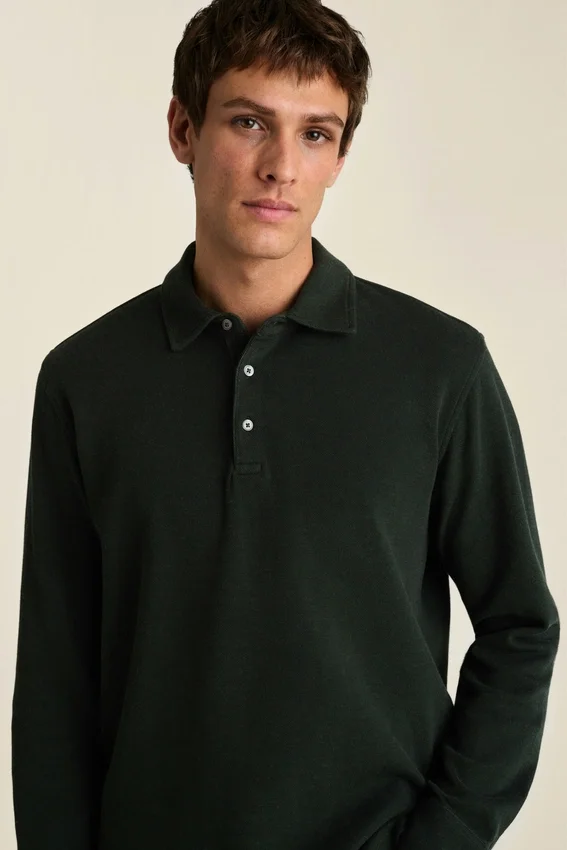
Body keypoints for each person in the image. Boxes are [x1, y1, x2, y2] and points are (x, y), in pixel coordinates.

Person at [11, 1, 560, 849]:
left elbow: (519, 625)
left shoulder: (439, 367)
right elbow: (55, 674)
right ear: (183, 129)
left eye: (314, 134)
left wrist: (442, 837)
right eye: (248, 123)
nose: (280, 167)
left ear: (340, 155)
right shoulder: (86, 379)